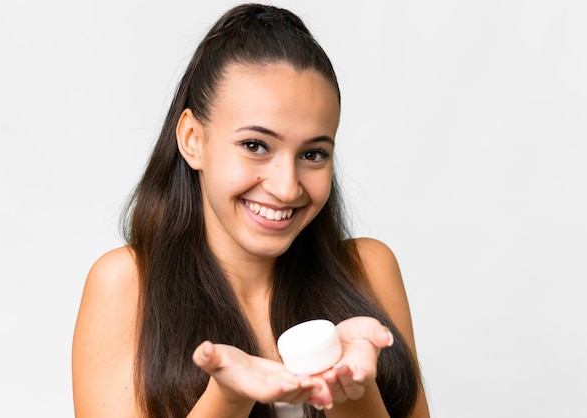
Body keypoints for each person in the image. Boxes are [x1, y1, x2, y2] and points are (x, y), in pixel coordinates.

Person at [72, 3, 430, 418]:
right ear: (192, 139)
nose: (286, 187)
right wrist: (228, 396)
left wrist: (351, 390)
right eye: (255, 146)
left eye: (313, 154)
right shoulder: (126, 285)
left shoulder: (369, 269)